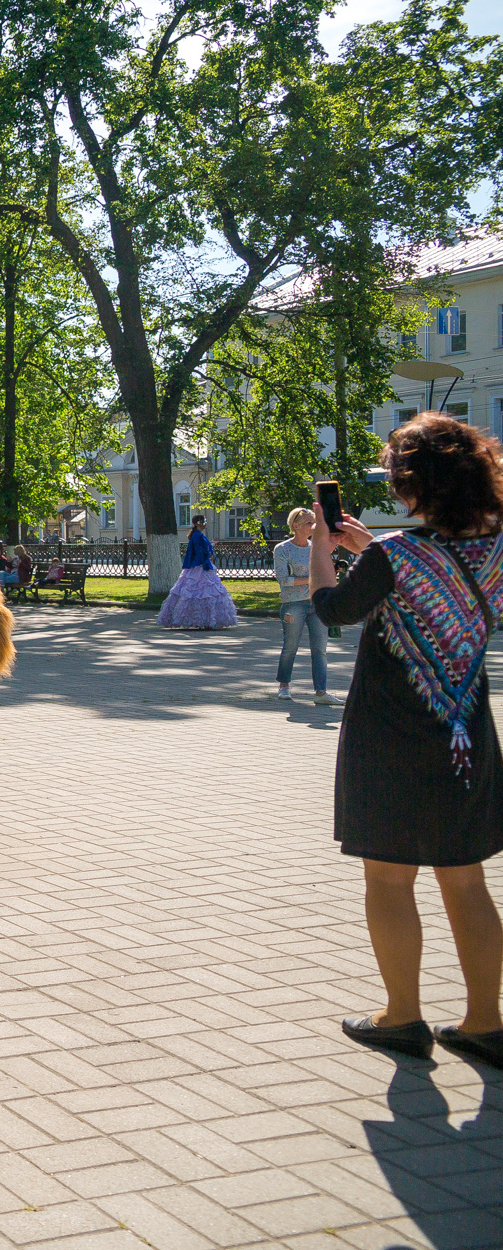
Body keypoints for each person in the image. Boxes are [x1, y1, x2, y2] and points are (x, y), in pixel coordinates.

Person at [311, 413, 503, 1068]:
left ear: (416, 485)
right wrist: (370, 545)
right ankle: (484, 1020)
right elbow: (434, 570)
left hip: (391, 742)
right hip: (466, 738)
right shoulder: (495, 547)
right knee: (467, 882)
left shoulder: (396, 554)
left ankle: (402, 1015)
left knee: (390, 881)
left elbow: (335, 608)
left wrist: (319, 544)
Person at [272, 507, 339, 704]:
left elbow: (326, 572)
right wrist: (311, 579)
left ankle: (321, 692)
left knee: (320, 649)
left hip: (316, 603)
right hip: (293, 604)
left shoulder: (316, 547)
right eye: (309, 523)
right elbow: (283, 580)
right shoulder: (283, 549)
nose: (313, 527)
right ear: (295, 526)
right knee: (290, 647)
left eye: (314, 523)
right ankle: (284, 685)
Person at [158, 514, 238, 628]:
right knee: (199, 592)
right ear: (196, 523)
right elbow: (199, 551)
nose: (204, 523)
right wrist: (205, 561)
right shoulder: (197, 536)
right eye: (202, 521)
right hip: (199, 566)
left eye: (204, 521)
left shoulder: (199, 535)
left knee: (206, 592)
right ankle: (198, 619)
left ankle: (206, 619)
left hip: (202, 565)